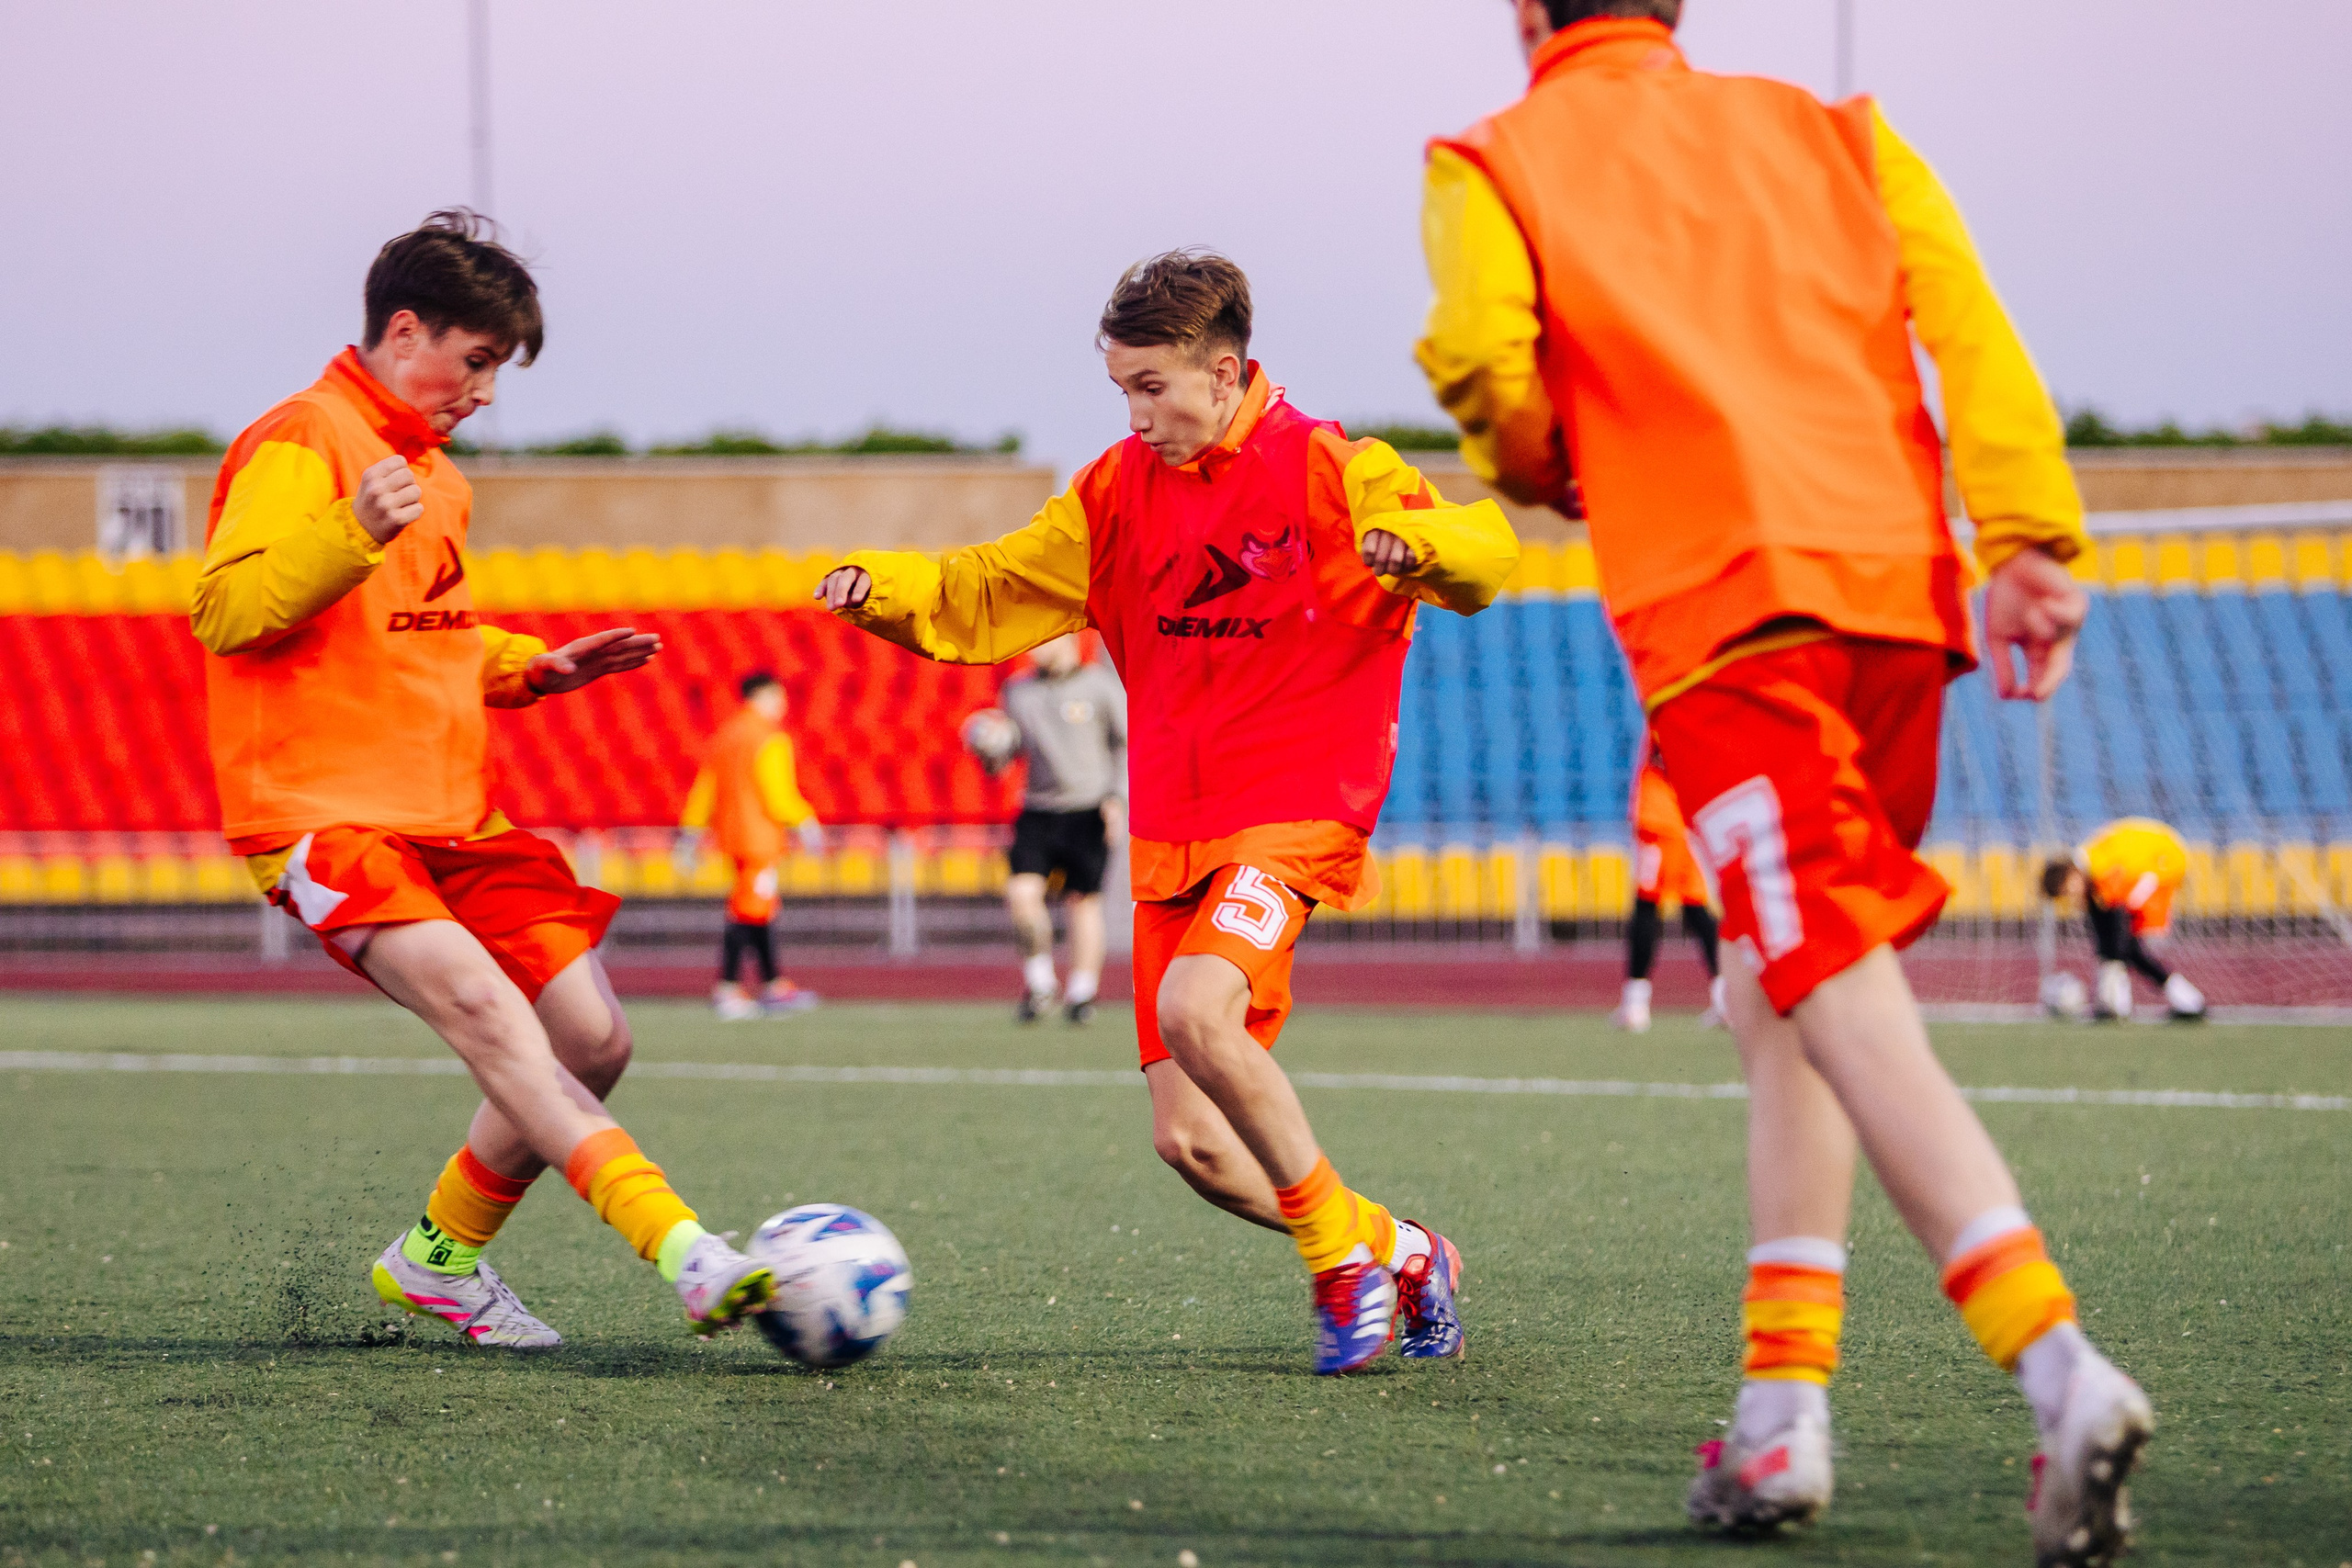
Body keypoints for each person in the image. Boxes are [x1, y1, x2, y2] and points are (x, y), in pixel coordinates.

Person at [1419, 6, 2151, 1559]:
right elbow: (1969, 324)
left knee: (1831, 986)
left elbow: (1485, 364)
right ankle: (1779, 1414)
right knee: (1780, 994)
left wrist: (1555, 462)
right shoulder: (1841, 132)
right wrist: (2027, 536)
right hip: (1896, 601)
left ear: (1525, 13)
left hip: (1729, 610)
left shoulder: (1494, 156)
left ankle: (2060, 1367)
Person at [820, 251, 1520, 1373]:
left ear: (1224, 373)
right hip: (1171, 832)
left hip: (1296, 811)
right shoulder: (1113, 491)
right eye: (1122, 391)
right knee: (1193, 1145)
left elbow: (1485, 551)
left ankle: (1338, 1271)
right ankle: (1401, 1250)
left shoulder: (1333, 468)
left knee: (1198, 1007)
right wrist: (884, 588)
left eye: (1151, 388)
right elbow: (995, 584)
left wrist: (1421, 547)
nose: (1135, 415)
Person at [190, 210, 776, 1348]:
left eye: (499, 368)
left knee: (593, 1040)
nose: (487, 392)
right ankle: (691, 1256)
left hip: (449, 813)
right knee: (492, 1017)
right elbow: (225, 611)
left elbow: (425, 639)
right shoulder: (303, 440)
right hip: (324, 817)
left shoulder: (435, 479)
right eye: (477, 360)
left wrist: (528, 668)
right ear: (405, 330)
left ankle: (438, 1260)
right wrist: (348, 530)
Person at [980, 633, 1126, 1024]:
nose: (1034, 648)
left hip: (1088, 807)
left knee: (1084, 901)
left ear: (1068, 640)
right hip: (1038, 809)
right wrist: (990, 751)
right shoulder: (1018, 691)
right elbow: (1008, 753)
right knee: (1021, 893)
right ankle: (1040, 982)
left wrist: (1117, 797)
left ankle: (1082, 992)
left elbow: (1124, 743)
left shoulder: (1098, 686)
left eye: (1043, 640)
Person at [678, 671, 826, 1019]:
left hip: (733, 837)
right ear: (764, 696)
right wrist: (805, 822)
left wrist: (690, 833)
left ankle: (773, 984)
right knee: (747, 912)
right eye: (779, 697)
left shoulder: (725, 736)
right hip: (760, 839)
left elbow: (705, 789)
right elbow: (777, 793)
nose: (784, 705)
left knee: (758, 909)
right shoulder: (768, 738)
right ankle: (728, 988)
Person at [2041, 818, 2205, 1021]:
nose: (2072, 896)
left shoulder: (2100, 869)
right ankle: (2184, 1000)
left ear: (2071, 874)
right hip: (2155, 861)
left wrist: (2112, 958)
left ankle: (2120, 1002)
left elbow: (2117, 917)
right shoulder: (2091, 870)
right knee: (2124, 945)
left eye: (2068, 890)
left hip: (2163, 861)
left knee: (2125, 944)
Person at [1618, 736, 1724, 1032]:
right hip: (1680, 820)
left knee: (1647, 903)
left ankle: (1635, 1003)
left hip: (1661, 818)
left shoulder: (1671, 714)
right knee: (1696, 908)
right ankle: (1725, 998)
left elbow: (1671, 755)